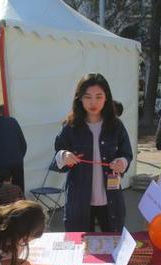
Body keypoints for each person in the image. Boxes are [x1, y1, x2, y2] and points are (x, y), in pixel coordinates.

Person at [53, 73, 133, 233]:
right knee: (81, 250)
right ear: (80, 99)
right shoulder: (70, 126)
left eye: (98, 96)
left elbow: (127, 153)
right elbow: (56, 157)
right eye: (88, 97)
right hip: (79, 200)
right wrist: (63, 156)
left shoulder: (116, 125)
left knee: (112, 246)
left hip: (110, 199)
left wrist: (122, 162)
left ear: (106, 98)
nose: (93, 102)